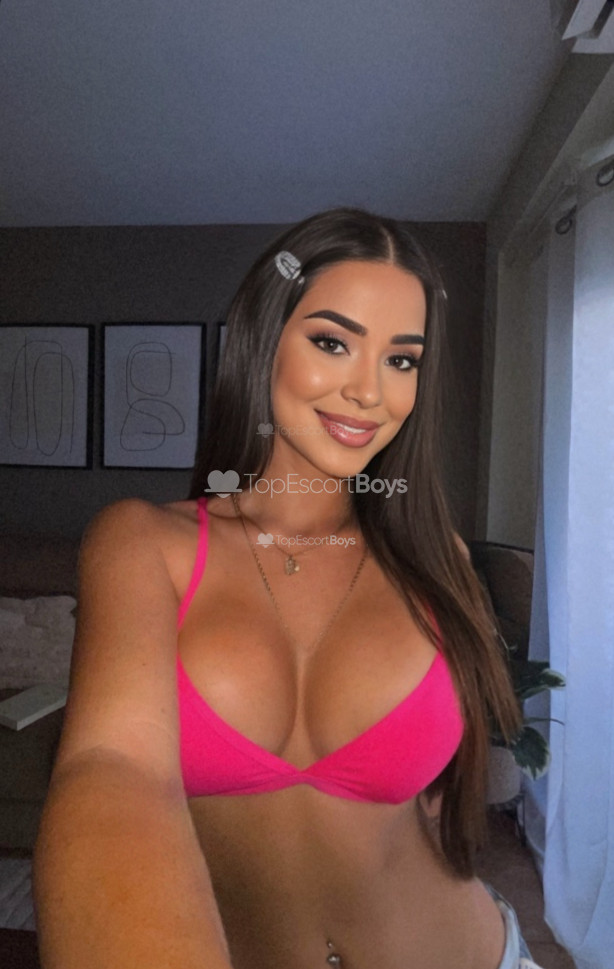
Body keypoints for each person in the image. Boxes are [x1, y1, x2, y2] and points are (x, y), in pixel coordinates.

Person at [33, 208, 541, 969]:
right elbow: (113, 772)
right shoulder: (143, 544)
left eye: (402, 360)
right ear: (265, 340)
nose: (368, 391)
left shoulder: (439, 559)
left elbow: (437, 800)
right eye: (333, 342)